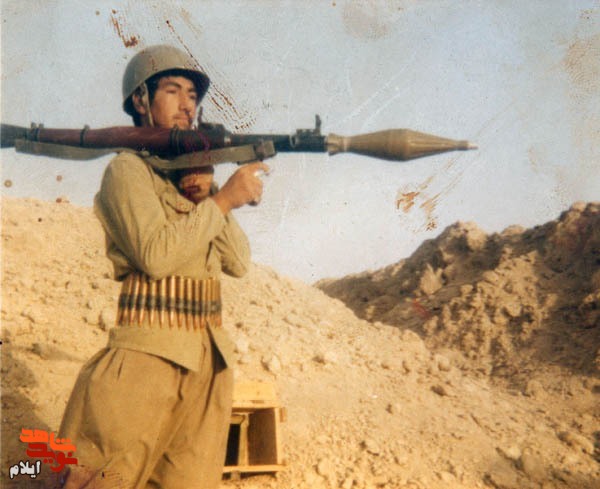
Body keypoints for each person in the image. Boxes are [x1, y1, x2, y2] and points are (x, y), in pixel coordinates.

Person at [53, 45, 268, 489]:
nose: (187, 104)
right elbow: (154, 256)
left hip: (207, 365)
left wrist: (209, 197)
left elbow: (238, 262)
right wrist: (223, 202)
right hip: (145, 360)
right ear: (140, 100)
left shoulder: (191, 179)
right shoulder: (127, 171)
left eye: (192, 95)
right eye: (172, 90)